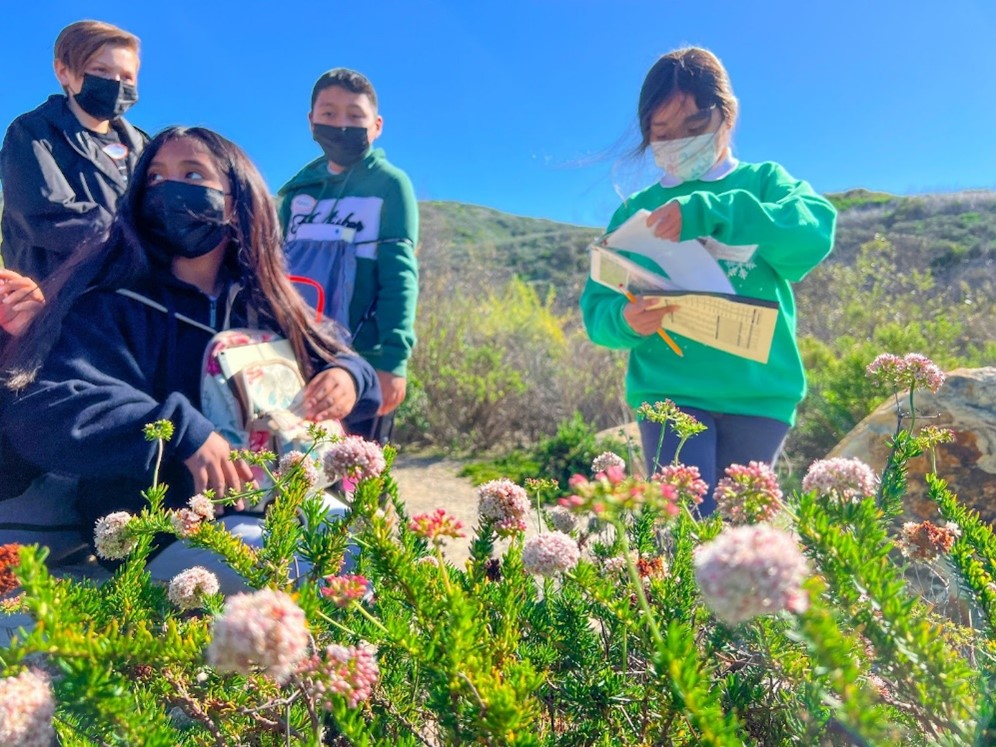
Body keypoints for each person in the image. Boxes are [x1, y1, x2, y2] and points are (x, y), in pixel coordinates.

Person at [0, 126, 381, 589]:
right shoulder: (114, 303)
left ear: (236, 198)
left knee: (379, 553)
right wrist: (181, 432)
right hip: (163, 531)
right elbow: (52, 405)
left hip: (279, 505)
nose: (168, 189)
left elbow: (346, 361)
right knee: (328, 570)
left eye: (192, 172)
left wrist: (349, 376)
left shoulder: (266, 307)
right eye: (155, 178)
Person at [579, 47, 836, 514]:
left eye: (695, 128)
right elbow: (597, 312)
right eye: (662, 134)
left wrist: (714, 212)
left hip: (761, 396)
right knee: (684, 536)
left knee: (739, 539)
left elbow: (813, 233)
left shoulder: (764, 184)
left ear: (728, 115)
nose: (679, 142)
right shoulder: (635, 212)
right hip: (669, 394)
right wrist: (625, 320)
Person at [278, 67, 418, 444]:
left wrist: (392, 362)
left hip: (363, 364)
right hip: (298, 358)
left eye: (355, 116)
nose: (341, 125)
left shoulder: (391, 185)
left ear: (377, 125)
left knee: (361, 484)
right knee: (298, 471)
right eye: (329, 114)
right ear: (311, 122)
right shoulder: (295, 195)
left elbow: (400, 277)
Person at [0, 20, 146, 281]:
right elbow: (47, 216)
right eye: (101, 70)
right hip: (56, 302)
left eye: (126, 76)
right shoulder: (32, 134)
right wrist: (137, 240)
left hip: (132, 301)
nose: (115, 83)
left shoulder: (145, 148)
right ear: (63, 72)